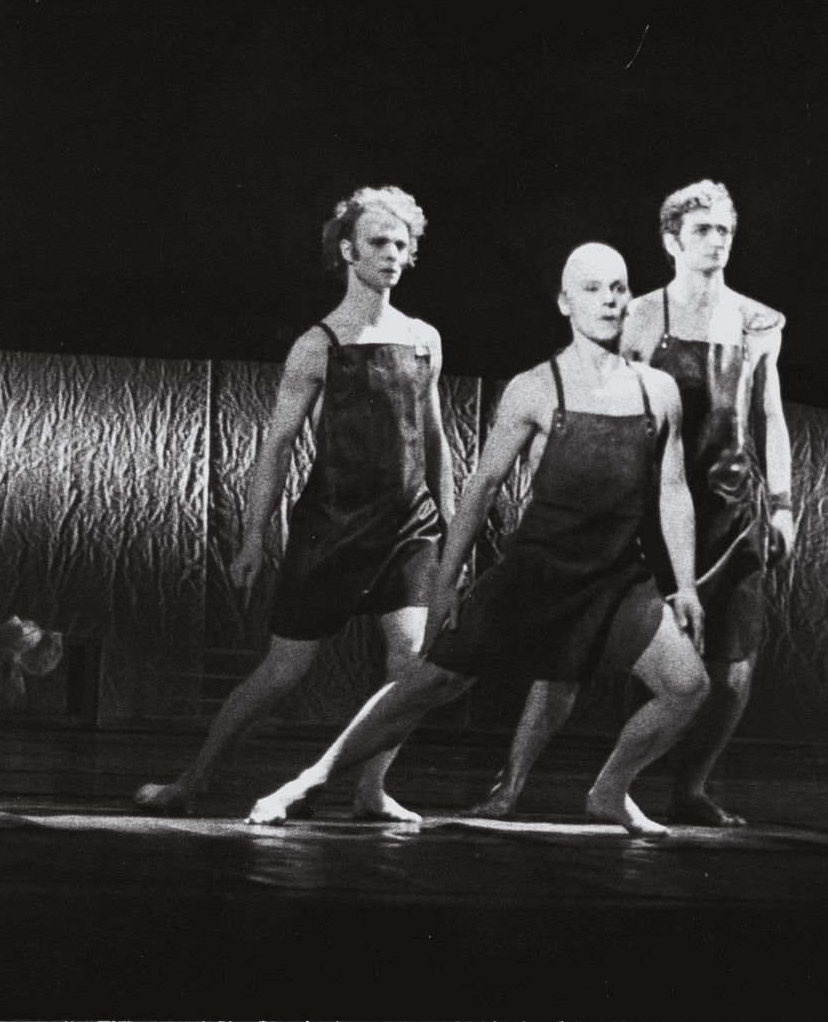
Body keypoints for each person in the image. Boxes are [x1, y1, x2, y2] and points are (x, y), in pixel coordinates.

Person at [245, 243, 709, 837]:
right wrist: (444, 583)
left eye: (618, 287)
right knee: (426, 685)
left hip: (615, 579)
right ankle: (307, 781)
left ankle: (611, 790)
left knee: (688, 686)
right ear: (566, 303)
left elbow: (672, 491)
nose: (610, 300)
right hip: (535, 575)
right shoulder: (536, 389)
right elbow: (482, 488)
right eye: (593, 289)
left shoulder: (657, 391)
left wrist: (686, 586)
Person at [469, 180, 795, 828]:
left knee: (730, 674)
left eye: (725, 230)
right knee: (569, 659)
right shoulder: (640, 316)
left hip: (729, 518)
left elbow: (770, 414)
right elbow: (591, 398)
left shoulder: (759, 322)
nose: (717, 241)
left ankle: (688, 788)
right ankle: (510, 784)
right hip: (646, 511)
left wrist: (782, 504)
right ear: (672, 240)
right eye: (703, 230)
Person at [133, 186, 453, 820]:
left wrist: (453, 532)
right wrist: (255, 535)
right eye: (378, 243)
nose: (392, 254)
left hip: (410, 526)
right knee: (283, 672)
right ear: (347, 249)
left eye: (401, 243)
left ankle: (370, 788)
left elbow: (437, 439)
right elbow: (277, 447)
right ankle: (193, 779)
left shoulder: (424, 338)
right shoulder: (318, 345)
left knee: (413, 661)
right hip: (332, 529)